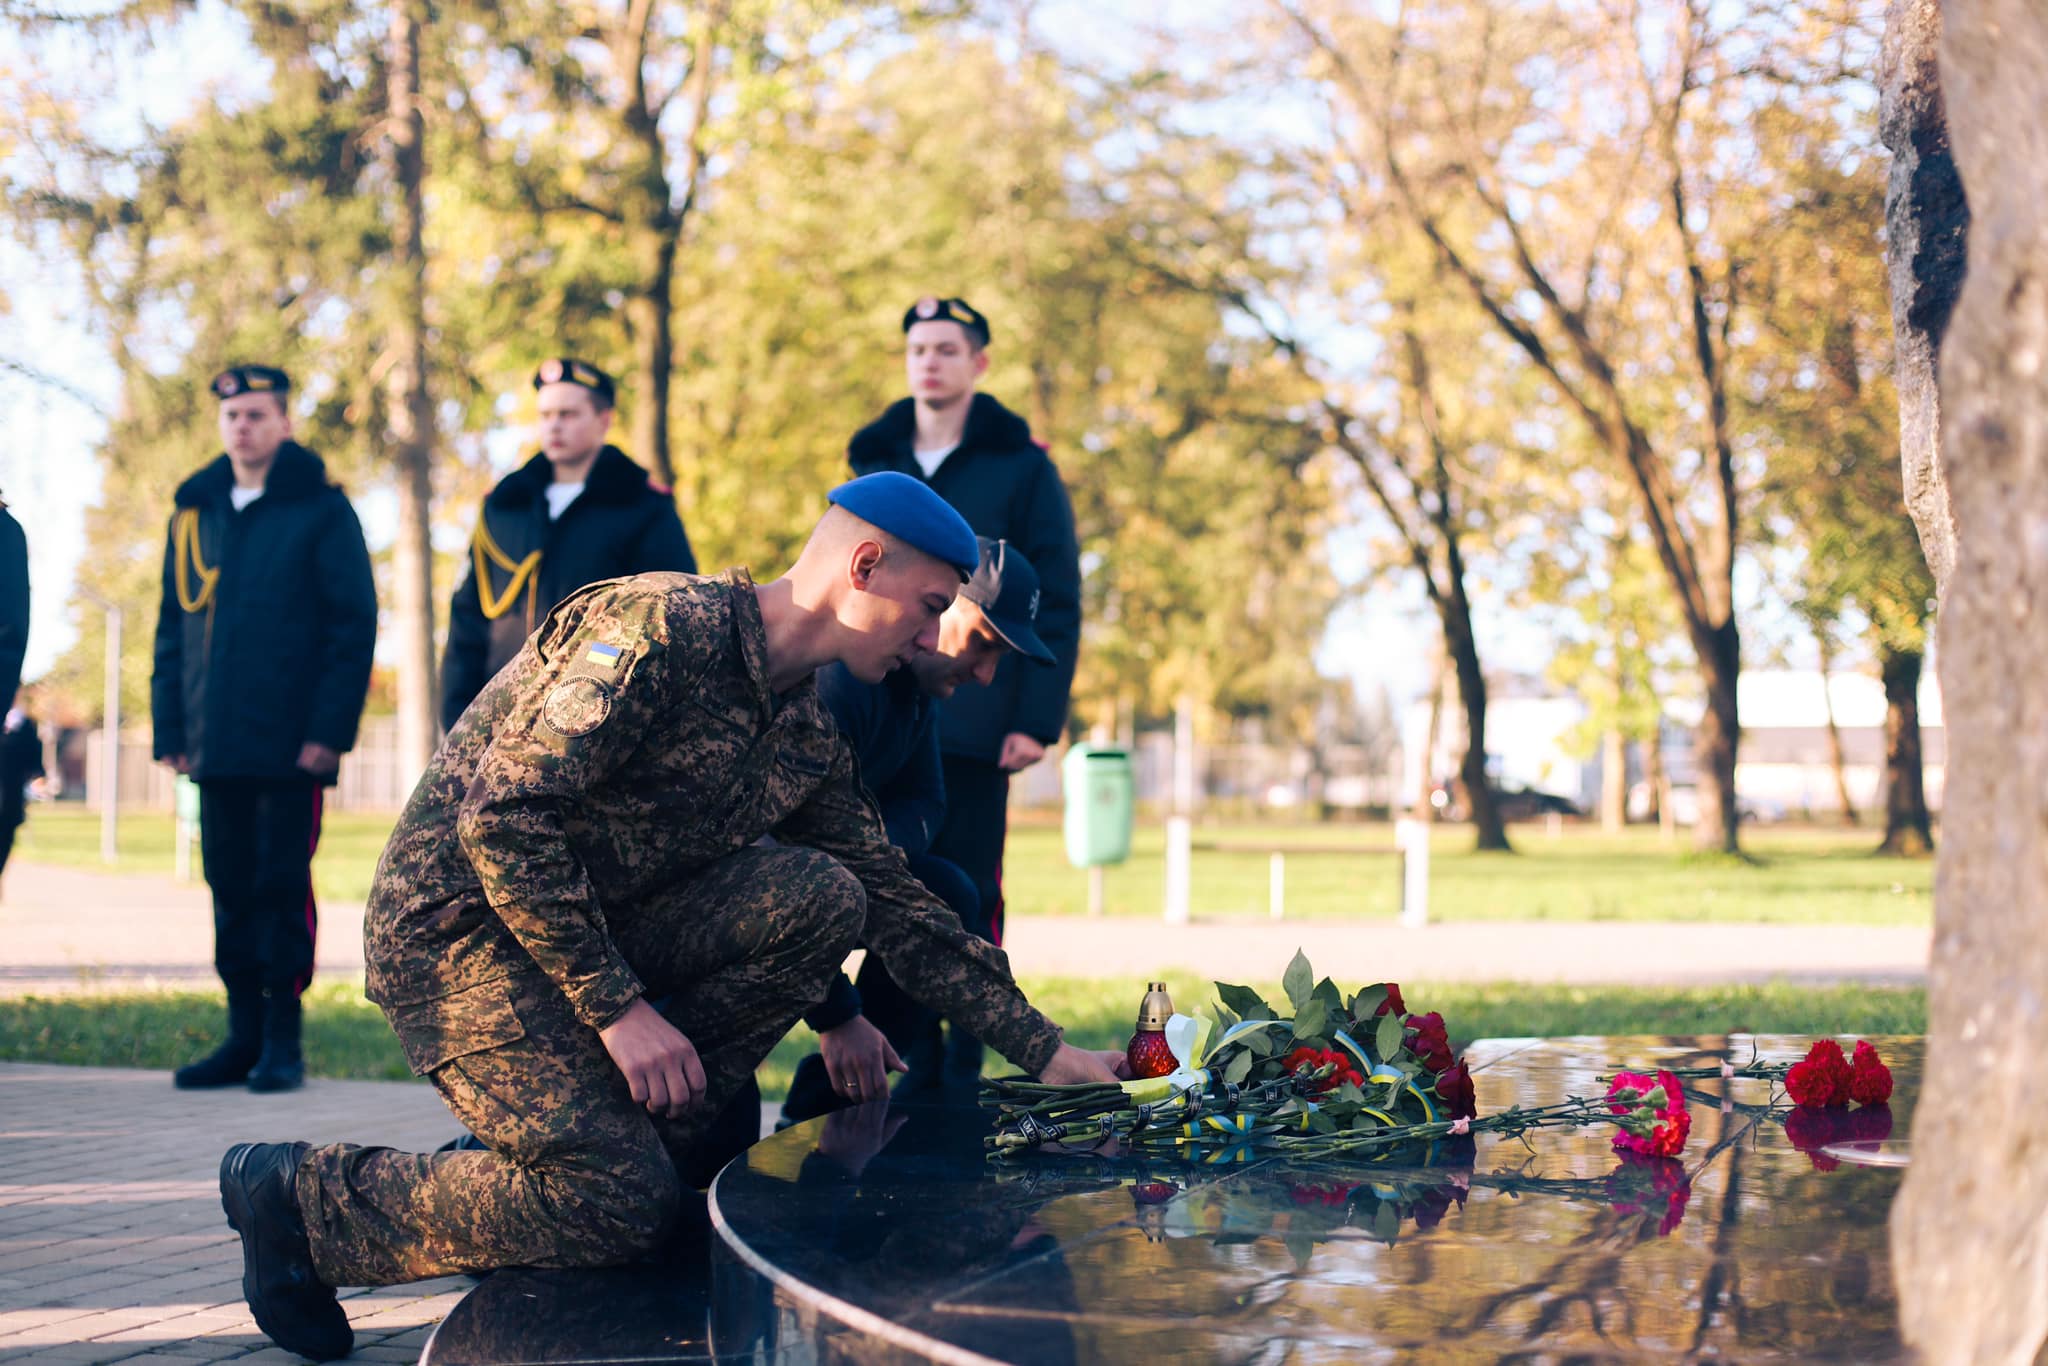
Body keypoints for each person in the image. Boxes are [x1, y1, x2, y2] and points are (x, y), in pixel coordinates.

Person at [215, 472, 1124, 1362]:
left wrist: (1051, 1054)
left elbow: (896, 901)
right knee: (621, 1207)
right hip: (456, 934)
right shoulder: (658, 630)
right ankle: (302, 1200)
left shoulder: (801, 728)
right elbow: (503, 817)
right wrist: (618, 1010)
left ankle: (564, 1154)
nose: (935, 635)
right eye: (928, 606)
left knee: (829, 896)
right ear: (865, 565)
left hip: (587, 935)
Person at [847, 296, 1082, 1083]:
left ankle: (964, 1055)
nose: (931, 361)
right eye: (919, 347)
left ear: (979, 363)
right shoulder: (875, 458)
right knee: (887, 883)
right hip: (881, 700)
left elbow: (1057, 594)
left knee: (967, 892)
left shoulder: (1022, 464)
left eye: (948, 348)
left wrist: (1035, 720)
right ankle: (888, 1051)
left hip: (978, 724)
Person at [778, 536, 1058, 1126]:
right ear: (941, 603)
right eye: (983, 644)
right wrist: (838, 1015)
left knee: (950, 890)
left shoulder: (912, 693)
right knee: (709, 1132)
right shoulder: (841, 682)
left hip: (836, 881)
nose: (984, 675)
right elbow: (775, 861)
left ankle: (834, 1104)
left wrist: (866, 859)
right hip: (752, 905)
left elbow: (927, 802)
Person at [152, 365, 377, 1094]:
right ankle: (241, 1035)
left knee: (282, 886)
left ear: (283, 423)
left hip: (288, 745)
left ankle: (285, 1041)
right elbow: (171, 630)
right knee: (228, 885)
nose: (242, 427)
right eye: (231, 416)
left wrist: (328, 733)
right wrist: (170, 727)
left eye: (256, 415)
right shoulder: (196, 510)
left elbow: (352, 627)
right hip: (214, 743)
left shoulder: (319, 509)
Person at [440, 358, 695, 731]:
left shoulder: (641, 505)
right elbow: (468, 619)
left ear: (603, 420)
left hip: (595, 718)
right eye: (545, 415)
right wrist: (456, 716)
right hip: (500, 714)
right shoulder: (505, 505)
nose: (554, 425)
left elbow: (677, 616)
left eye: (568, 414)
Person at [0, 692, 44, 886]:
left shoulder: (25, 724)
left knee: (7, 832)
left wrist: (38, 776)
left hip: (11, 791)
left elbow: (34, 756)